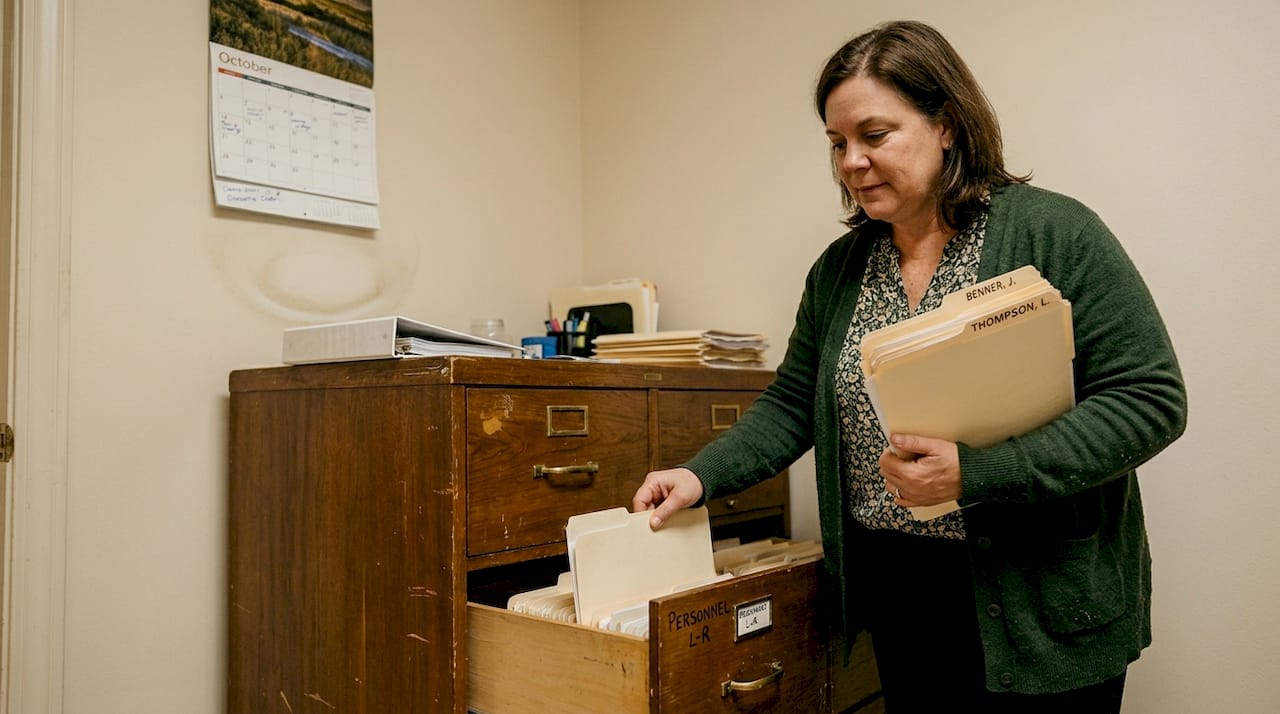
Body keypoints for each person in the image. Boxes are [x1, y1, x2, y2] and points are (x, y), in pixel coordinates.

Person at [631, 19, 1187, 713]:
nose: (850, 163)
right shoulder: (840, 272)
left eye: (873, 135)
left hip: (1036, 595)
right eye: (837, 143)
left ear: (947, 124)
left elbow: (1148, 400)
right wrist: (699, 474)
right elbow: (792, 401)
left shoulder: (1055, 232)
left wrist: (977, 473)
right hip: (902, 596)